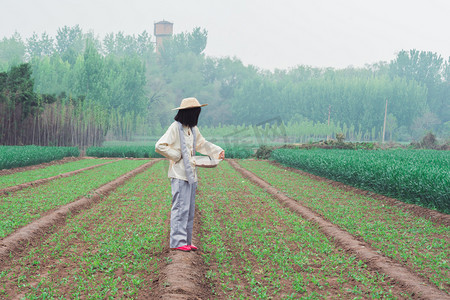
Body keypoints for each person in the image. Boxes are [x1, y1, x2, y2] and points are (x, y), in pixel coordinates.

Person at [155, 97, 225, 252]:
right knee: (180, 208)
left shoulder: (192, 129)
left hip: (191, 174)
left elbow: (202, 144)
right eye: (196, 112)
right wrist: (177, 155)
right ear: (189, 113)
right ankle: (177, 242)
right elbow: (159, 146)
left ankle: (186, 240)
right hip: (179, 174)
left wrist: (218, 151)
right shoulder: (175, 127)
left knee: (189, 209)